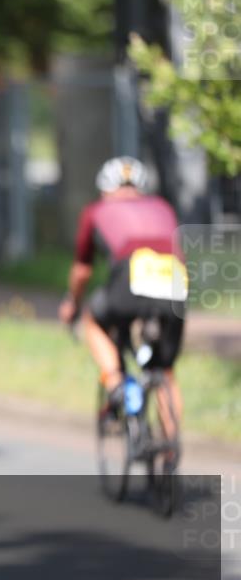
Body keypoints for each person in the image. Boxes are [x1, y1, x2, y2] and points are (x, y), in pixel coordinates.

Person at [58, 156, 187, 461]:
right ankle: (170, 455)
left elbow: (82, 272)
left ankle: (116, 382)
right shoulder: (162, 207)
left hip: (131, 278)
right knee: (165, 371)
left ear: (105, 189)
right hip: (176, 282)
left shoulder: (97, 210)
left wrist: (72, 304)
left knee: (93, 320)